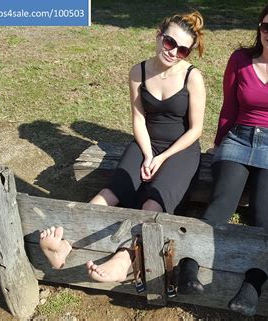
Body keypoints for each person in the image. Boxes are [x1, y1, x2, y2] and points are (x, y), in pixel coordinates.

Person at [38, 12, 206, 285]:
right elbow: (138, 119)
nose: (174, 52)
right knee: (112, 191)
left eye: (182, 49)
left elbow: (195, 130)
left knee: (154, 201)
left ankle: (124, 258)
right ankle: (67, 243)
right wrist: (149, 153)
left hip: (180, 150)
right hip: (146, 143)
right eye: (169, 42)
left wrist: (162, 158)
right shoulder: (138, 71)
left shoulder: (192, 77)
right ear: (158, 35)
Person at [179, 0, 268, 316]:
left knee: (262, 212)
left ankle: (252, 285)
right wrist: (217, 144)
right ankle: (189, 265)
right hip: (239, 139)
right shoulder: (240, 59)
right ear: (260, 28)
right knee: (221, 203)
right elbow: (229, 108)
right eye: (267, 26)